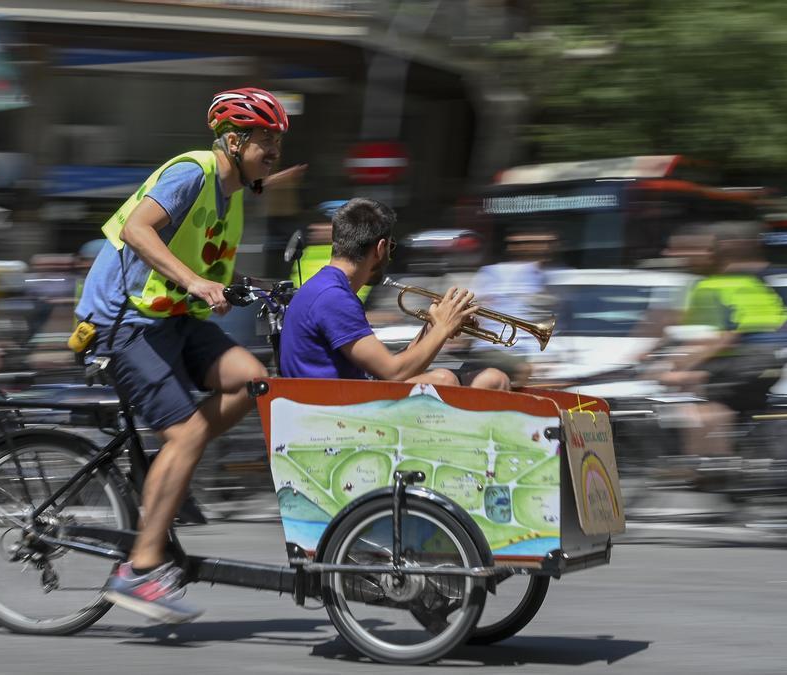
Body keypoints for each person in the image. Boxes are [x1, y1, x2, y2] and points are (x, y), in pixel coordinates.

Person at [77, 87, 300, 623]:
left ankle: (168, 470)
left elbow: (211, 273)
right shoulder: (193, 173)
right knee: (188, 434)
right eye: (263, 139)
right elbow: (136, 230)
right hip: (123, 322)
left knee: (252, 379)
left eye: (277, 141)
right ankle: (139, 569)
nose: (273, 150)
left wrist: (264, 288)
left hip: (172, 320)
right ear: (232, 139)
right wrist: (197, 283)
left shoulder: (233, 193)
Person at [279, 198, 510, 389]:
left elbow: (387, 369)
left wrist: (432, 327)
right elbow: (394, 372)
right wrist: (443, 328)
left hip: (346, 400)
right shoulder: (333, 298)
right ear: (380, 248)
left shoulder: (328, 288)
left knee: (490, 379)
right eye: (391, 247)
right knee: (449, 380)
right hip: (340, 417)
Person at [656, 221, 787, 457]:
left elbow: (726, 337)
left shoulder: (717, 285)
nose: (673, 256)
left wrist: (681, 367)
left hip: (750, 362)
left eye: (685, 250)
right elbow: (692, 334)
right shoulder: (743, 282)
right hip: (769, 361)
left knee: (703, 404)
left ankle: (711, 467)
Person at [464, 229, 561, 386]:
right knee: (524, 369)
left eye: (548, 243)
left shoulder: (544, 275)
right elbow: (478, 305)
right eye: (538, 243)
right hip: (494, 346)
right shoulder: (494, 272)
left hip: (524, 346)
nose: (546, 247)